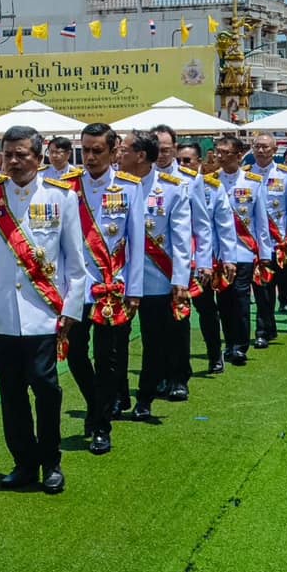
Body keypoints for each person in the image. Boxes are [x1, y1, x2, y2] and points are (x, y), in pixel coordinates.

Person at [0, 125, 89, 494]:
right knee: (12, 394)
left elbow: (75, 262)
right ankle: (23, 462)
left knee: (47, 390)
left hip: (44, 314)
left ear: (39, 157)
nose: (14, 162)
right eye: (9, 154)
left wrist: (72, 310)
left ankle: (51, 461)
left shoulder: (61, 197)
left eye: (22, 155)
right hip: (2, 314)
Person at [62, 123, 144, 454]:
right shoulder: (67, 187)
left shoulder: (129, 187)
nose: (91, 157)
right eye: (86, 150)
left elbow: (136, 242)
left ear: (113, 152)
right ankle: (97, 403)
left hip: (112, 287)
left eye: (98, 151)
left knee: (108, 359)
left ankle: (100, 425)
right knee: (75, 353)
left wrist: (134, 289)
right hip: (75, 288)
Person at [124, 130, 194, 420]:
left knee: (153, 344)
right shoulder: (113, 186)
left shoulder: (172, 188)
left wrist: (180, 280)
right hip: (118, 278)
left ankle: (145, 398)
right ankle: (116, 397)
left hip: (155, 279)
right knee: (114, 345)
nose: (118, 154)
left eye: (124, 149)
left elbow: (181, 237)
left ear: (141, 155)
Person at [150, 126, 205, 400]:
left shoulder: (188, 179)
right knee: (153, 329)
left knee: (178, 324)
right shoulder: (138, 177)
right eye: (157, 149)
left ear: (174, 148)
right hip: (148, 265)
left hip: (178, 263)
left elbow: (201, 225)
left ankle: (179, 377)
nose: (161, 154)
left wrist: (202, 261)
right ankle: (157, 376)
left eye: (166, 149)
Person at [177, 140, 235, 379]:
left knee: (207, 311)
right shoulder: (168, 186)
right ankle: (179, 367)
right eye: (178, 161)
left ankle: (214, 353)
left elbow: (223, 225)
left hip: (201, 260)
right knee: (178, 315)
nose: (182, 165)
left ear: (199, 162)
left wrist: (226, 258)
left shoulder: (212, 187)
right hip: (176, 261)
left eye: (187, 160)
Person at [213, 133, 268, 365]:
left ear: (238, 155)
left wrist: (264, 254)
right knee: (223, 300)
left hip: (243, 250)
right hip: (218, 252)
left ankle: (240, 345)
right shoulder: (209, 181)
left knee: (241, 297)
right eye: (218, 152)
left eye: (226, 153)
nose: (220, 157)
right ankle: (228, 342)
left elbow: (261, 220)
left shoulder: (253, 182)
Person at [244, 134, 287, 324]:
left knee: (279, 283)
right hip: (254, 242)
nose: (261, 151)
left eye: (265, 147)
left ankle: (270, 323)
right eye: (257, 147)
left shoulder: (286, 175)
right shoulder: (246, 175)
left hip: (279, 242)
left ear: (275, 151)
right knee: (261, 287)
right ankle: (263, 328)